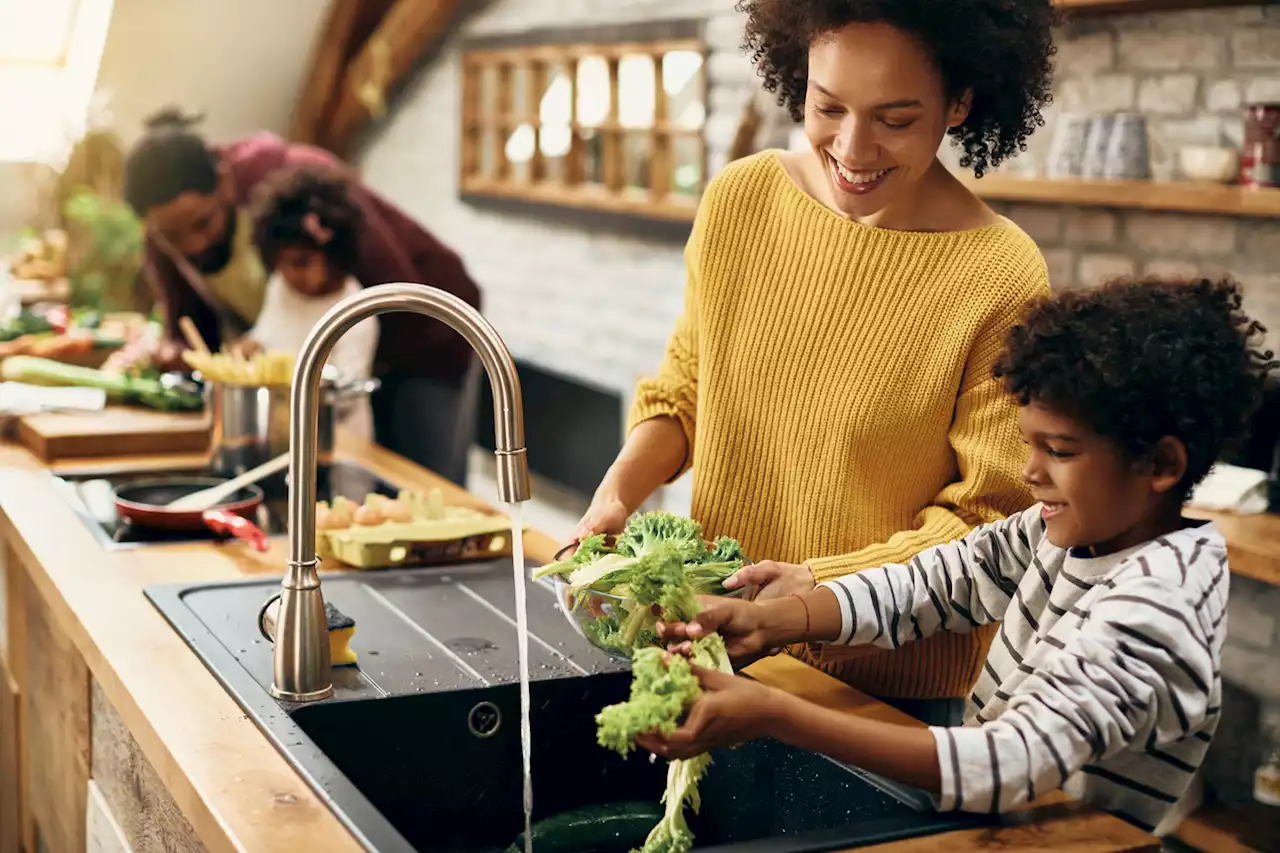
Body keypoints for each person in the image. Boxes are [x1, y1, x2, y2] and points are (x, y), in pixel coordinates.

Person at [648, 278, 1277, 835]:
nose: (1030, 473)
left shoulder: (1157, 606)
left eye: (1059, 450)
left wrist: (775, 713)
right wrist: (779, 618)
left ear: (1160, 464)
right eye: (1031, 444)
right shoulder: (1070, 532)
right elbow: (947, 579)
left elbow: (1008, 763)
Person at [572, 0, 1058, 708]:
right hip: (713, 655)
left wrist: (815, 592)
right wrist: (617, 493)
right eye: (828, 107)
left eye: (895, 120)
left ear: (960, 102)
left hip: (883, 702)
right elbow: (687, 391)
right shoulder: (743, 200)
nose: (854, 151)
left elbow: (987, 522)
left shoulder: (1001, 275)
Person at [122, 109, 481, 484]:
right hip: (333, 371)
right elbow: (194, 331)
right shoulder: (162, 239)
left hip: (427, 333)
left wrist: (343, 384)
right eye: (172, 237)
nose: (193, 245)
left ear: (225, 184)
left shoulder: (298, 186)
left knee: (418, 481)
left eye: (202, 223)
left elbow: (398, 295)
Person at [242, 166, 379, 439]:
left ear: (332, 251)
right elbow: (266, 335)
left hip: (340, 440)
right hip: (285, 432)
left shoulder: (356, 311)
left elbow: (346, 396)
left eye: (302, 263)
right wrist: (250, 345)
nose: (291, 274)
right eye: (283, 264)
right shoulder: (280, 287)